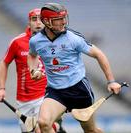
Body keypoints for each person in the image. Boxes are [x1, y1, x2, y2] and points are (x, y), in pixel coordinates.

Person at [27, 3, 121, 133]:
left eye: (64, 18)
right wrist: (33, 70)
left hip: (79, 90)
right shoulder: (35, 41)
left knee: (90, 130)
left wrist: (111, 81)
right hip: (55, 91)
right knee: (43, 123)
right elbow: (32, 55)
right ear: (47, 22)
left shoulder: (73, 38)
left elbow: (99, 54)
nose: (64, 22)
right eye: (58, 20)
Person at [0, 8, 66, 133]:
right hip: (24, 101)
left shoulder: (55, 41)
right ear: (29, 23)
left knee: (41, 128)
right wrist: (1, 88)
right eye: (34, 19)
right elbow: (4, 63)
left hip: (47, 96)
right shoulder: (17, 42)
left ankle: (55, 126)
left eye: (41, 19)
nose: (38, 23)